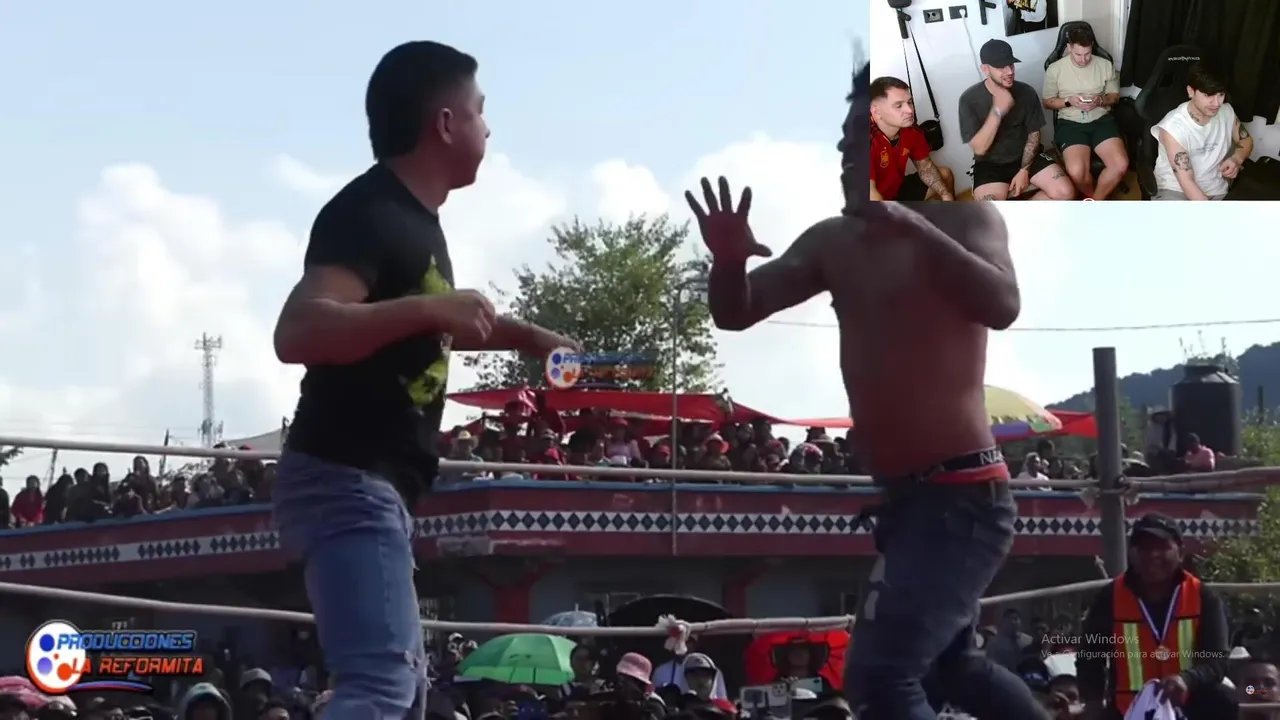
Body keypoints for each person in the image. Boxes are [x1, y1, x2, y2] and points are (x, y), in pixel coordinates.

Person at [687, 60, 1045, 720]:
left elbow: (1003, 303)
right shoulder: (835, 241)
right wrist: (729, 261)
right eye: (844, 139)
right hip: (910, 500)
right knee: (951, 666)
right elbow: (736, 312)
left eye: (861, 138)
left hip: (961, 495)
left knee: (882, 677)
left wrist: (915, 225)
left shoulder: (964, 216)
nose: (845, 152)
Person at [270, 41, 575, 720]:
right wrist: (433, 309)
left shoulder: (413, 222)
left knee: (401, 693)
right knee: (381, 687)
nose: (489, 127)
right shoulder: (369, 212)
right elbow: (300, 331)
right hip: (346, 478)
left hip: (368, 487)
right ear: (444, 123)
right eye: (480, 110)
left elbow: (429, 323)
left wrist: (531, 337)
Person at [1077, 514, 1234, 719]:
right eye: (1144, 548)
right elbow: (1089, 656)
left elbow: (1218, 660)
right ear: (1131, 553)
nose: (1153, 555)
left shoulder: (1204, 596)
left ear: (1180, 553)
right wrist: (1093, 703)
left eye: (1162, 547)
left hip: (1189, 707)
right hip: (1129, 711)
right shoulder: (1109, 597)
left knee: (1226, 699)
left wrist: (1187, 679)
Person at [959, 40, 1074, 201]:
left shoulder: (1026, 92)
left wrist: (1024, 169)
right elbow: (979, 149)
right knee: (990, 212)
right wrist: (997, 111)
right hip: (990, 164)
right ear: (985, 69)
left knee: (1066, 192)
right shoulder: (969, 99)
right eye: (1001, 67)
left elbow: (1034, 135)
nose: (1009, 71)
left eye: (1011, 65)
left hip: (1026, 156)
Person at [1041, 24, 1129, 199]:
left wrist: (1100, 100)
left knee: (1120, 165)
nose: (1083, 59)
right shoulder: (1055, 69)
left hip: (1101, 120)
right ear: (1069, 48)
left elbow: (1114, 96)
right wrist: (1069, 101)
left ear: (1092, 47)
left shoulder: (1105, 64)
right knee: (1076, 172)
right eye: (1078, 54)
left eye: (1087, 54)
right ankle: (1092, 196)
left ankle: (1093, 202)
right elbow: (1047, 103)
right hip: (1070, 123)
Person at [1152, 63, 1253, 201]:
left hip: (1216, 188)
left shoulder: (1226, 111)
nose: (1217, 103)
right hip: (1176, 189)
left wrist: (1237, 159)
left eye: (1221, 94)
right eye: (1208, 95)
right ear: (1191, 91)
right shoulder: (1173, 127)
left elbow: (1246, 140)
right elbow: (1186, 181)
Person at [868, 76, 955, 201]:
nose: (909, 110)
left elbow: (925, 167)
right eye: (898, 106)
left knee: (945, 175)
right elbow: (870, 193)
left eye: (909, 102)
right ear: (876, 112)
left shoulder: (911, 130)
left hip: (896, 189)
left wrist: (946, 195)